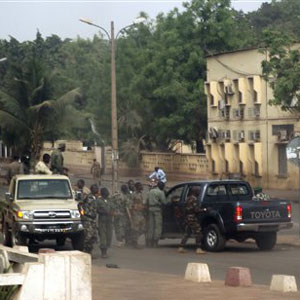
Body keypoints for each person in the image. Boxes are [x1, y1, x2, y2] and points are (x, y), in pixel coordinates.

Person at [178, 186, 205, 255]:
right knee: (198, 232)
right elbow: (196, 210)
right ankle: (198, 248)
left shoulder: (188, 198)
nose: (199, 192)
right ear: (195, 192)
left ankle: (181, 247)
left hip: (187, 217)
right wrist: (204, 210)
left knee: (187, 233)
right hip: (192, 218)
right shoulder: (194, 199)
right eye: (198, 191)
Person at [146, 181, 168, 247]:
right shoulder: (160, 192)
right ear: (161, 186)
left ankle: (149, 241)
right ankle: (155, 242)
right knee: (157, 226)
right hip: (157, 210)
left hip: (150, 209)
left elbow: (147, 200)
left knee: (151, 226)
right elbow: (164, 202)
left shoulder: (151, 191)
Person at [79, 184, 98, 254]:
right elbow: (79, 204)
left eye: (96, 188)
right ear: (91, 189)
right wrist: (82, 213)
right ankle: (85, 251)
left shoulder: (96, 198)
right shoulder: (87, 196)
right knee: (88, 236)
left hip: (93, 219)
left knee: (94, 236)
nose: (96, 190)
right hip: (87, 219)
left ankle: (89, 251)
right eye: (94, 188)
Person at [96, 187, 114, 258]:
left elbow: (113, 208)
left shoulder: (110, 200)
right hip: (102, 220)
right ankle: (103, 252)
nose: (107, 193)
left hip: (109, 220)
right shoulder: (99, 201)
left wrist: (114, 212)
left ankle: (106, 248)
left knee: (109, 235)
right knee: (103, 236)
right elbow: (97, 209)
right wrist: (104, 212)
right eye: (105, 191)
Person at [130, 182, 146, 248]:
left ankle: (133, 239)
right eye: (140, 186)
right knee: (136, 228)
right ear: (137, 187)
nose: (141, 186)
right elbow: (130, 204)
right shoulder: (134, 194)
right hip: (135, 213)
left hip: (141, 213)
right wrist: (136, 207)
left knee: (143, 228)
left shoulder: (142, 194)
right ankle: (134, 242)